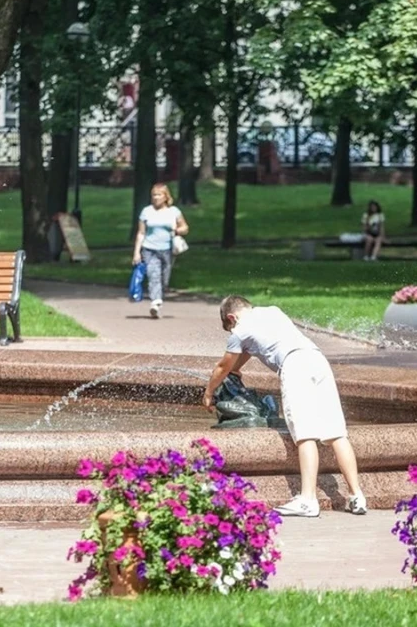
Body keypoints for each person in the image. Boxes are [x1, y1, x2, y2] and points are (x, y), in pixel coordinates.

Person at [202, 295, 366, 518]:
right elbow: (244, 356)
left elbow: (223, 366)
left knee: (304, 433)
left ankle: (308, 499)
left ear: (232, 317)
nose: (233, 333)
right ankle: (357, 496)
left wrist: (209, 393)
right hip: (317, 360)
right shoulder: (273, 311)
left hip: (294, 365)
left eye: (230, 328)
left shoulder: (240, 330)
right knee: (337, 432)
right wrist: (235, 370)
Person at [132, 183, 189, 319]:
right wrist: (136, 252)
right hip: (149, 248)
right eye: (154, 195)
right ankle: (155, 302)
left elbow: (185, 228)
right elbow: (141, 233)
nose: (156, 198)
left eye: (159, 195)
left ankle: (158, 296)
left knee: (164, 278)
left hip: (167, 249)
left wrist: (176, 230)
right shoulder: (146, 212)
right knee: (153, 274)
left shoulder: (174, 211)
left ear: (165, 196)